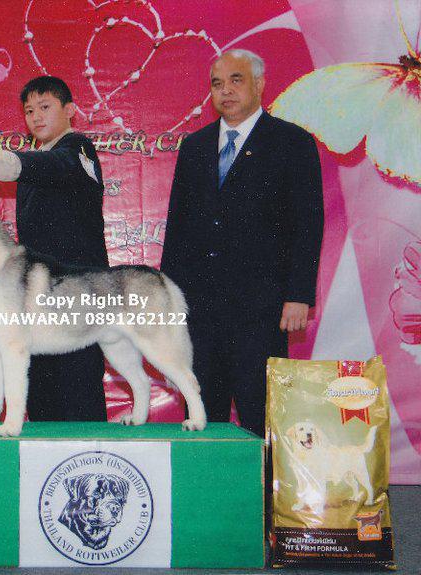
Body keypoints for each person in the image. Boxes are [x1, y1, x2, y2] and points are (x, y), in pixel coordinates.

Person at [160, 50, 324, 437]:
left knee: (260, 414)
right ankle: (208, 480)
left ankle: (264, 480)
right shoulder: (195, 146)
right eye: (217, 84)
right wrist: (167, 302)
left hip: (262, 309)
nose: (226, 91)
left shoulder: (292, 142)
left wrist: (299, 295)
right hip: (199, 310)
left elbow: (308, 225)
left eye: (236, 80)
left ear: (259, 84)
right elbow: (178, 228)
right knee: (203, 416)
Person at [0, 76, 108, 422]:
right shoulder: (36, 160)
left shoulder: (78, 148)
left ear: (70, 110)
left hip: (76, 294)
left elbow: (56, 166)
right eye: (29, 111)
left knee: (78, 388)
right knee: (41, 390)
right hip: (36, 297)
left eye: (45, 107)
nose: (36, 116)